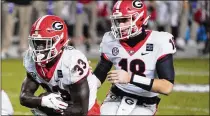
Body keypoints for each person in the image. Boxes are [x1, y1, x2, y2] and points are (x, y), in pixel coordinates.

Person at [93, 1, 176, 115]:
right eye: (118, 21)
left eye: (125, 20)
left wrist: (131, 78)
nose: (120, 26)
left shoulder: (159, 41)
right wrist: (84, 81)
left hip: (146, 102)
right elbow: (101, 72)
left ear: (141, 19)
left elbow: (167, 87)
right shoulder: (110, 40)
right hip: (116, 96)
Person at [19, 15, 100, 116]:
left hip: (87, 110)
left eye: (44, 43)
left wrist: (55, 111)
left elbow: (81, 110)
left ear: (60, 41)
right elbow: (24, 97)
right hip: (63, 103)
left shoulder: (71, 61)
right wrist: (42, 101)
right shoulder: (31, 59)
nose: (39, 49)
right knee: (43, 99)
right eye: (36, 43)